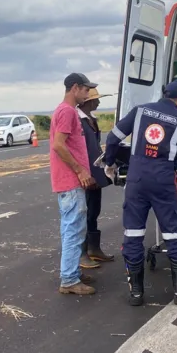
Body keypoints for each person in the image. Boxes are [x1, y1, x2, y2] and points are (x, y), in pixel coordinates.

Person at [103, 80, 177, 307]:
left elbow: (112, 138)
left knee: (133, 234)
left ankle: (136, 294)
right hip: (163, 181)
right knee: (173, 233)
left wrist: (109, 164)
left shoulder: (140, 111)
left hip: (136, 180)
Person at [49, 73, 99, 296]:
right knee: (74, 230)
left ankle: (71, 272)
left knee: (72, 229)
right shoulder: (67, 111)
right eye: (86, 90)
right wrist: (79, 170)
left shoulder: (66, 111)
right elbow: (59, 145)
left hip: (69, 180)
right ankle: (69, 280)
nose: (88, 94)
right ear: (75, 88)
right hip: (70, 180)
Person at [77, 89, 116, 265]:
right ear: (87, 102)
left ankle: (94, 248)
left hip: (95, 170)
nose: (98, 103)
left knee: (94, 210)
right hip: (87, 173)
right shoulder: (78, 120)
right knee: (85, 213)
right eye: (96, 100)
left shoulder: (89, 119)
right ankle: (82, 253)